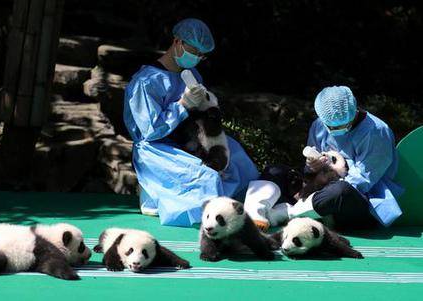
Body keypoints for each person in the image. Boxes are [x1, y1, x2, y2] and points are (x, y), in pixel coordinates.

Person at [123, 18, 259, 227]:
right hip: (157, 148)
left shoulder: (192, 73)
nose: (197, 58)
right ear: (177, 42)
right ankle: (153, 195)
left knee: (237, 158)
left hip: (187, 139)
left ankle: (252, 208)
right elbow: (150, 131)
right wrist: (183, 105)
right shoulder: (146, 81)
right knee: (207, 178)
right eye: (194, 51)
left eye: (201, 55)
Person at [267, 86, 403, 229]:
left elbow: (361, 182)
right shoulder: (319, 125)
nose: (336, 131)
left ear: (354, 111)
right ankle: (257, 214)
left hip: (359, 203)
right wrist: (312, 166)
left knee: (342, 190)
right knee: (275, 171)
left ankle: (289, 212)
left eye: (344, 125)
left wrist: (339, 173)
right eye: (330, 126)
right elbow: (310, 171)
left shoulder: (376, 132)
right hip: (318, 192)